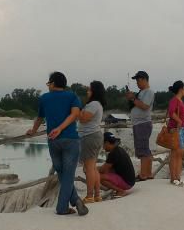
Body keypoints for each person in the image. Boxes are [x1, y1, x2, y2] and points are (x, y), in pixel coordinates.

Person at [27, 71, 88, 216]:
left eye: (49, 83)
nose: (48, 86)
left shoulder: (44, 98)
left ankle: (72, 203)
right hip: (71, 140)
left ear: (53, 83)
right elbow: (74, 115)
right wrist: (61, 128)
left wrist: (33, 130)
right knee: (67, 175)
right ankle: (67, 205)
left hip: (53, 141)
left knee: (62, 174)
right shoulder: (72, 96)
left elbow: (40, 117)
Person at [78, 81, 106, 203]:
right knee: (93, 167)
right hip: (94, 136)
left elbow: (84, 119)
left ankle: (90, 196)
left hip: (89, 136)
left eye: (89, 89)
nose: (87, 92)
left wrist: (77, 110)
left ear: (94, 91)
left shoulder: (94, 104)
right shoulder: (97, 104)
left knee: (88, 168)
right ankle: (97, 195)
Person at [126, 71, 155, 181]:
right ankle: (148, 173)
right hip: (140, 123)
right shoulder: (142, 92)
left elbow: (145, 106)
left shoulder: (149, 92)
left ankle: (143, 174)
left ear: (144, 79)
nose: (137, 83)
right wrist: (132, 98)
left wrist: (133, 98)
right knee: (145, 149)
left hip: (142, 123)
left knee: (142, 150)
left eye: (138, 80)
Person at [166, 80, 184, 187]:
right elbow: (171, 112)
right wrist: (179, 121)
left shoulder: (180, 101)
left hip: (183, 129)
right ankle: (173, 177)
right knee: (175, 154)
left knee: (180, 154)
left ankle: (178, 177)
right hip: (176, 129)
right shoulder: (174, 100)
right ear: (181, 89)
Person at [99, 132, 136, 197]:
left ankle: (120, 191)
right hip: (130, 180)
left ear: (107, 143)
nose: (103, 147)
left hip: (127, 183)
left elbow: (103, 169)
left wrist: (91, 169)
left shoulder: (113, 153)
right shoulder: (119, 149)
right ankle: (117, 189)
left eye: (103, 144)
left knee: (99, 177)